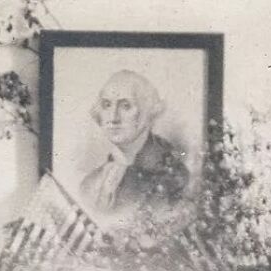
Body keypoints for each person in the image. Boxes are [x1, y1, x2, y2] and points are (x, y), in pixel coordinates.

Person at [79, 69, 189, 218]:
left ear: (148, 111)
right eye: (106, 105)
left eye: (125, 106)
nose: (113, 118)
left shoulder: (172, 177)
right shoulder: (89, 183)